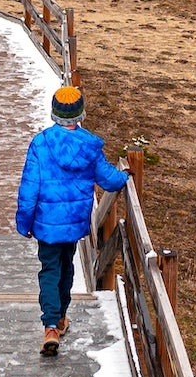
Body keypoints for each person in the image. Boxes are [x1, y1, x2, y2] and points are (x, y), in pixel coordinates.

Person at [14, 84, 129, 357]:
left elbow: (29, 189)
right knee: (66, 268)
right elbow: (109, 180)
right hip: (74, 223)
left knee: (49, 270)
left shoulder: (41, 144)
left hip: (46, 223)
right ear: (81, 115)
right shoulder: (90, 146)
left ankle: (51, 325)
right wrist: (126, 176)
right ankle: (62, 316)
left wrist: (24, 222)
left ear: (54, 114)